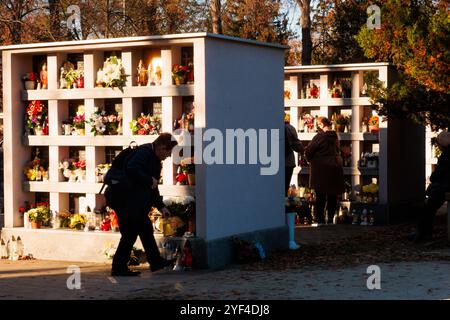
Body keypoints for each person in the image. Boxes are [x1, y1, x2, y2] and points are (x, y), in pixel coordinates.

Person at [111, 133, 178, 276]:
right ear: (161, 147)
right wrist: (149, 180)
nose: (169, 156)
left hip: (132, 202)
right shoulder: (144, 153)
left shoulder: (154, 160)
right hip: (124, 200)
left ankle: (154, 263)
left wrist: (161, 206)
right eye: (168, 151)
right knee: (133, 233)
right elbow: (132, 168)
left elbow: (153, 187)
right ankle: (120, 267)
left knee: (141, 230)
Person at [410, 130, 450, 242]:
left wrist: (433, 179)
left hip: (445, 187)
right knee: (428, 207)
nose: (438, 146)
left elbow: (438, 174)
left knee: (427, 209)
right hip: (445, 186)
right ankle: (422, 233)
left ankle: (423, 234)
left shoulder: (447, 154)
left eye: (439, 143)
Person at [305, 117, 344, 225]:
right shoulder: (335, 136)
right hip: (334, 167)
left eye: (318, 124)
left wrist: (309, 160)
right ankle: (330, 219)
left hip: (321, 168)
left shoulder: (319, 136)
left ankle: (320, 220)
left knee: (320, 195)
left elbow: (309, 150)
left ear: (322, 124)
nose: (317, 126)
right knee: (332, 195)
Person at [285, 113, 304, 196]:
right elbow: (296, 145)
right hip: (287, 162)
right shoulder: (289, 128)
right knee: (284, 188)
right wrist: (304, 150)